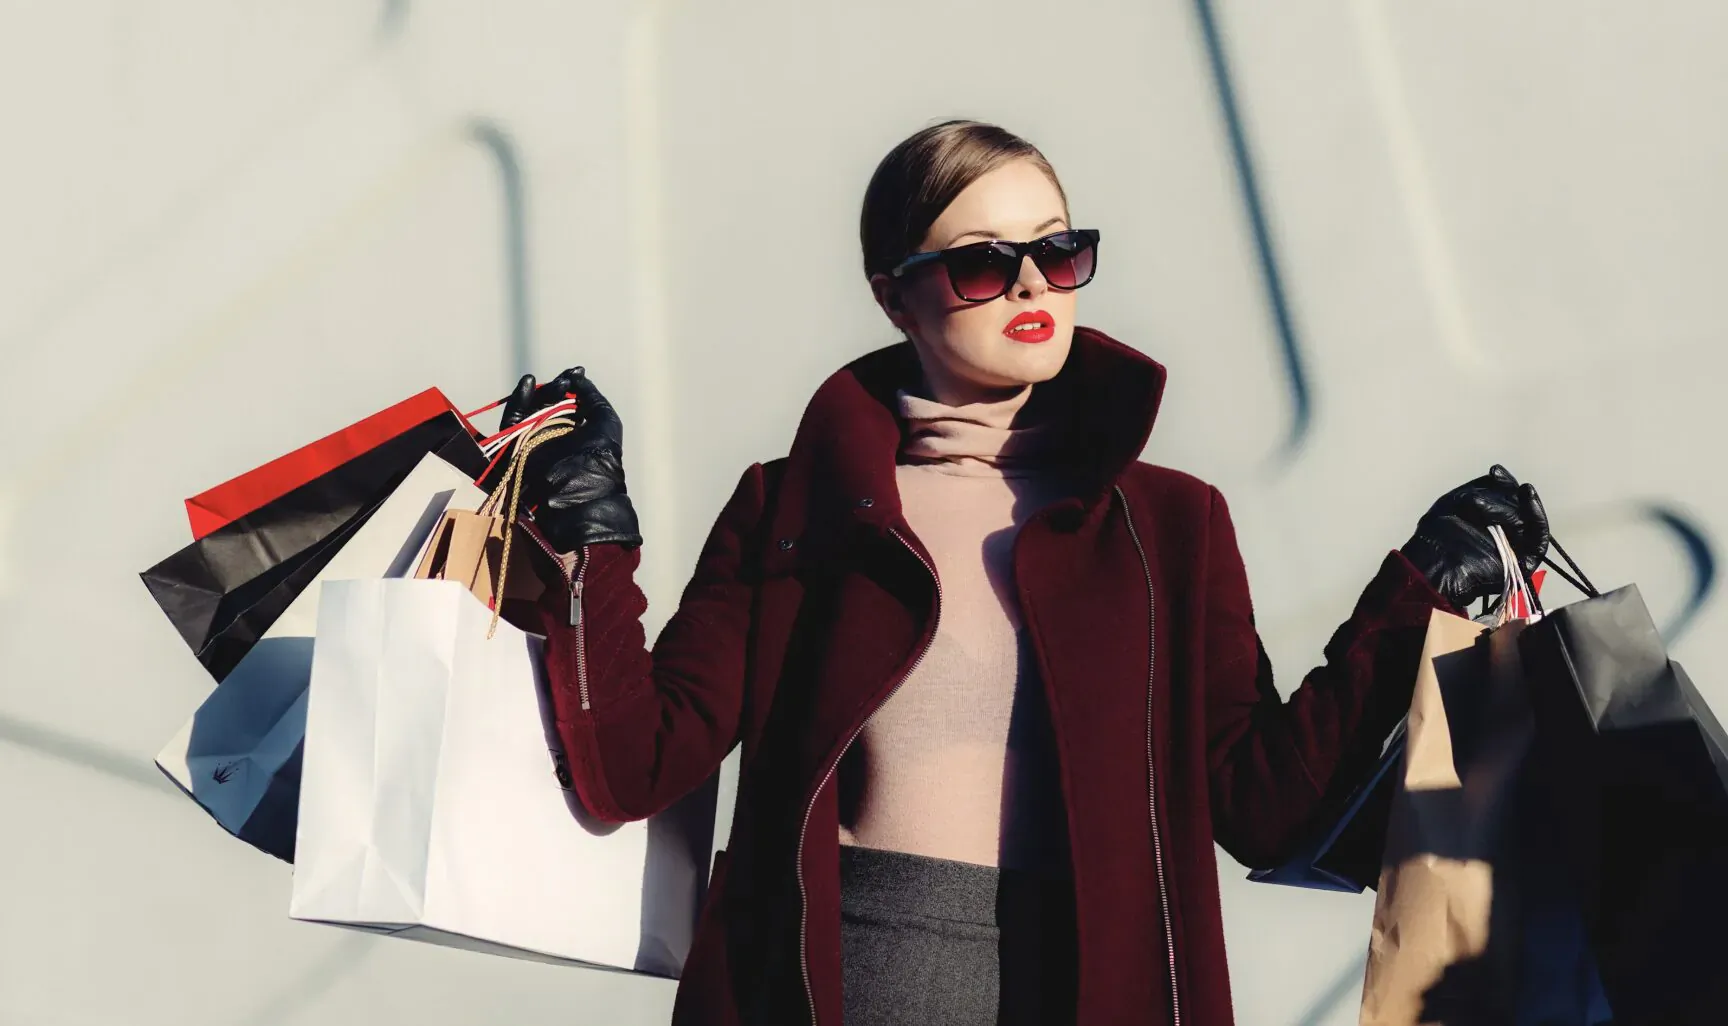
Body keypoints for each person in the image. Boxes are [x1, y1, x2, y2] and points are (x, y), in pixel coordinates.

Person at [501, 120, 1550, 1026]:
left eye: (1059, 251)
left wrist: (1415, 595)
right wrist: (593, 536)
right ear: (894, 295)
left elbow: (1263, 805)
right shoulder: (796, 507)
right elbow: (634, 763)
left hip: (1094, 987)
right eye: (981, 264)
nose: (1033, 287)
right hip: (844, 985)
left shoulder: (1170, 525)